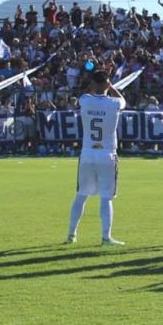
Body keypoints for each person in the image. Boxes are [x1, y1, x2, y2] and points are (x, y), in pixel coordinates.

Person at [65, 69, 127, 246]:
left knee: (81, 195)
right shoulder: (114, 103)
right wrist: (111, 86)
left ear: (93, 84)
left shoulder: (85, 101)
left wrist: (95, 84)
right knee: (106, 197)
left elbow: (83, 95)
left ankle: (71, 234)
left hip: (87, 153)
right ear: (107, 84)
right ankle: (106, 237)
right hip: (107, 153)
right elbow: (124, 101)